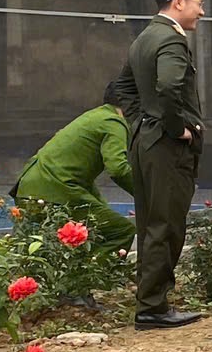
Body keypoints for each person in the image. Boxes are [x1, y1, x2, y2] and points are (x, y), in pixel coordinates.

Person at [126, 0, 206, 329]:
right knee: (166, 224)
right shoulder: (172, 40)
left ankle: (151, 301)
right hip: (167, 146)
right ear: (178, 2)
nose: (201, 12)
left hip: (145, 141)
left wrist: (139, 123)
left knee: (150, 222)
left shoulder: (144, 36)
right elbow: (170, 85)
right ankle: (153, 307)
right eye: (198, 4)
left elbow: (122, 89)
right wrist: (177, 128)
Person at [11, 77, 138, 251]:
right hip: (54, 190)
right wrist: (147, 198)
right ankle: (91, 277)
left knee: (87, 234)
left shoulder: (95, 116)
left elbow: (79, 177)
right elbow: (118, 169)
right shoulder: (114, 123)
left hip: (30, 188)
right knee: (121, 231)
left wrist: (105, 210)